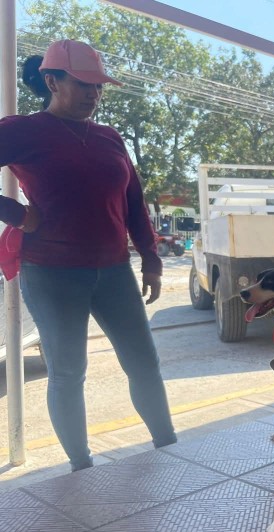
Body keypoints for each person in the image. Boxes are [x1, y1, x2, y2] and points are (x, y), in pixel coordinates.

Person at [0, 40, 177, 471]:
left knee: (144, 363)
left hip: (114, 269)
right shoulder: (23, 130)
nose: (94, 94)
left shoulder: (108, 136)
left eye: (99, 86)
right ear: (51, 80)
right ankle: (82, 468)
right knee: (69, 372)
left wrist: (150, 260)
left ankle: (171, 447)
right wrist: (18, 214)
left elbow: (133, 200)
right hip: (53, 272)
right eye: (83, 84)